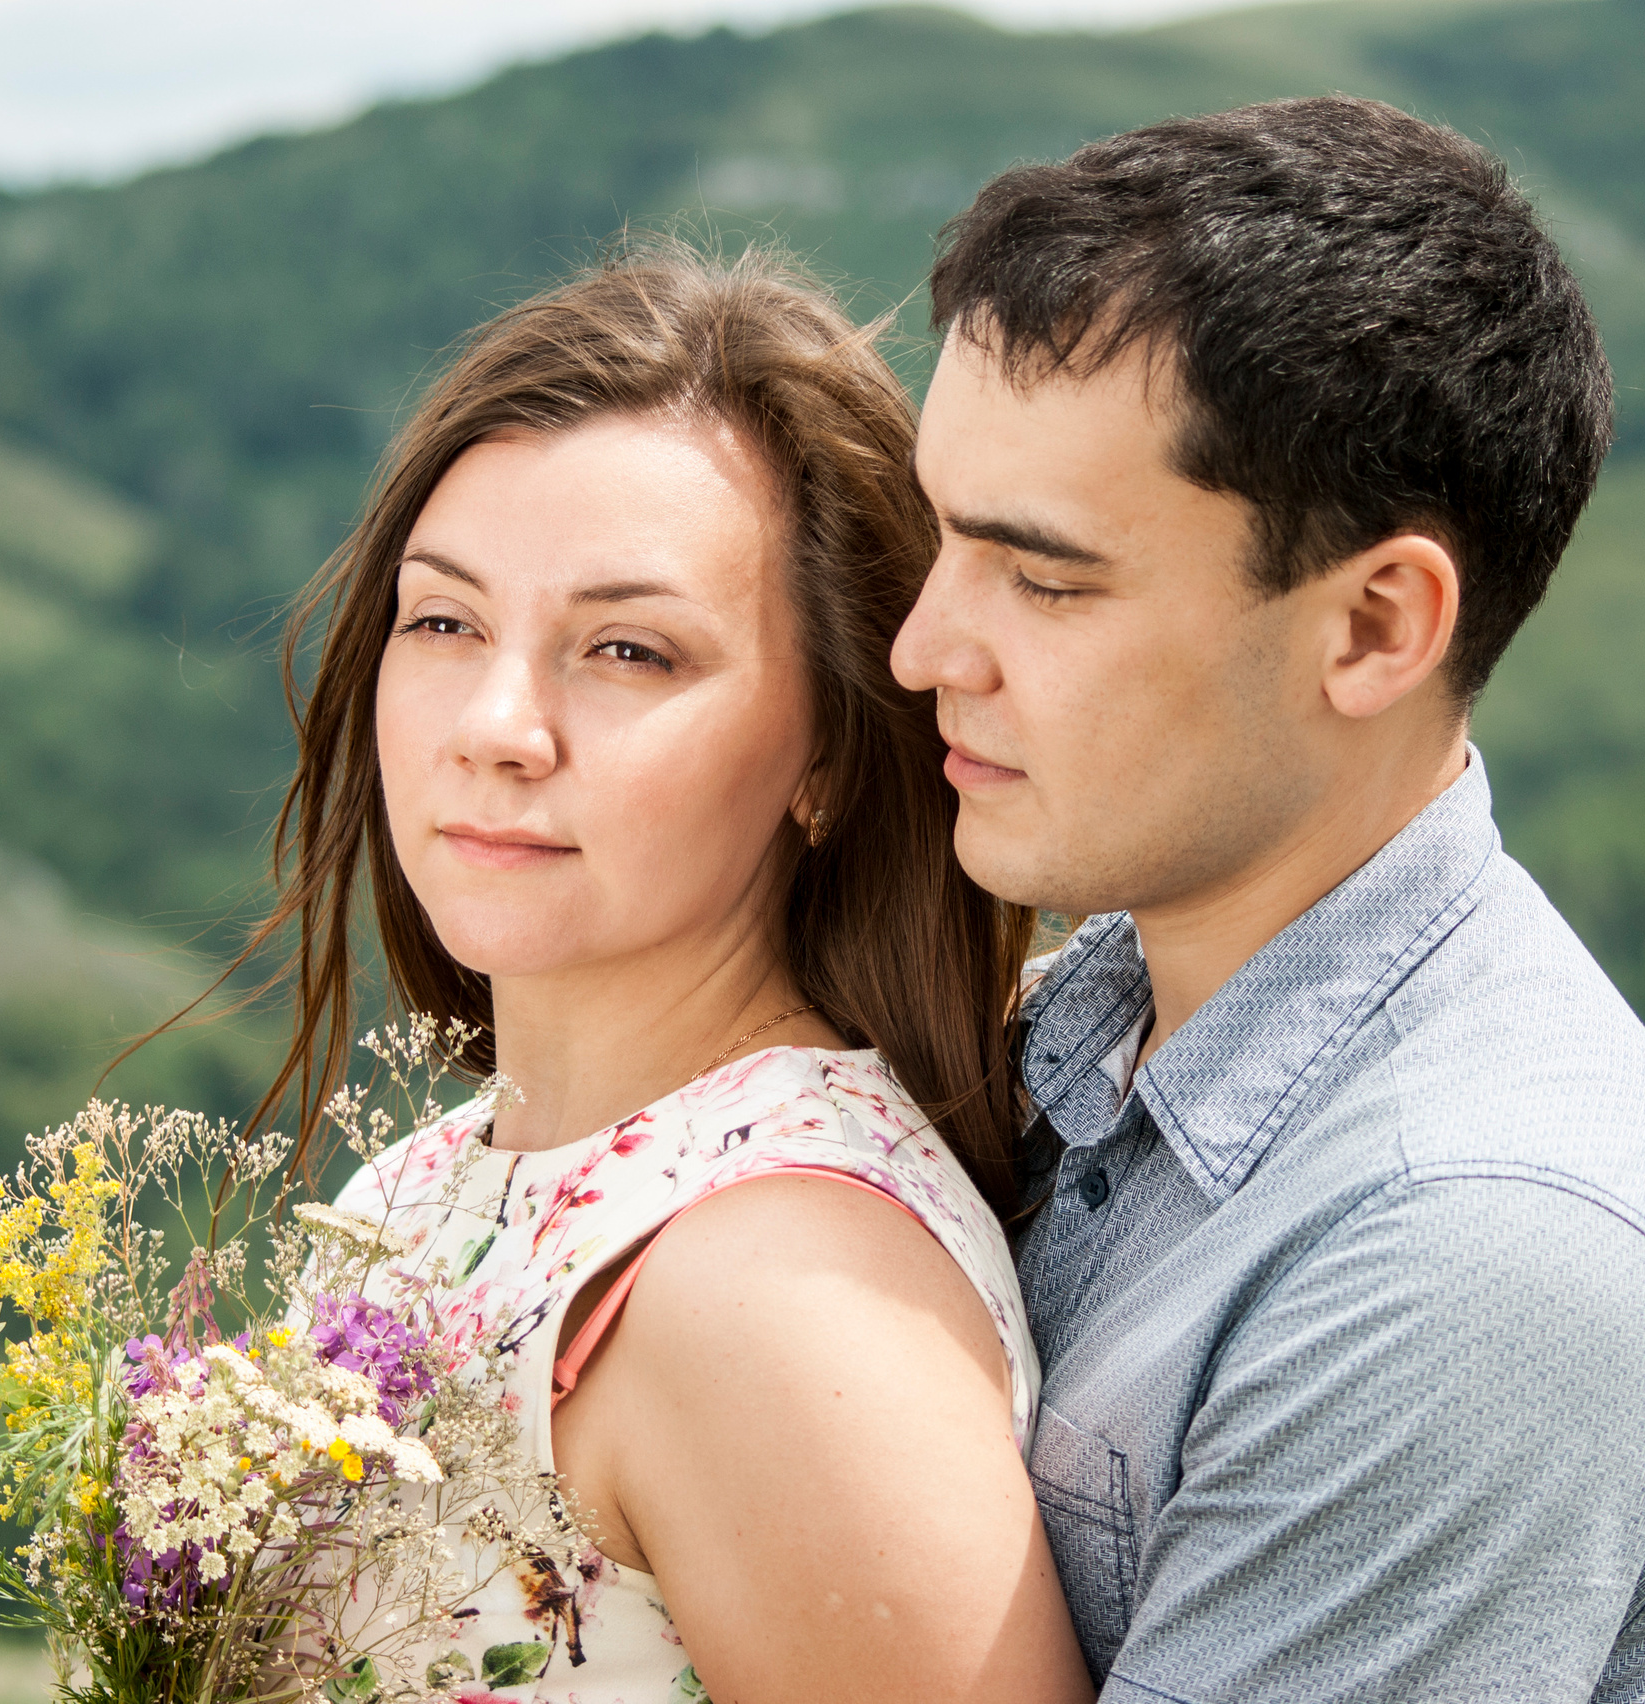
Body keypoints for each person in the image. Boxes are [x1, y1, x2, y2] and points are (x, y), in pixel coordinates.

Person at [891, 98, 1645, 1700]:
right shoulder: (1093, 1014)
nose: (922, 649)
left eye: (1042, 578)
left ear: (1376, 627)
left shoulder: (1476, 1264)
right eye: (938, 536)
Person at [244, 245, 1094, 1703]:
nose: (497, 727)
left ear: (828, 756)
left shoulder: (780, 1294)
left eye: (629, 651)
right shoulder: (418, 1192)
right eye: (443, 621)